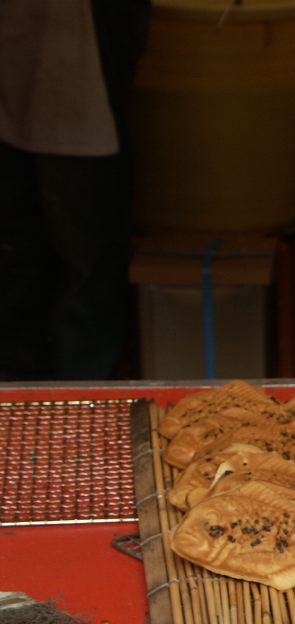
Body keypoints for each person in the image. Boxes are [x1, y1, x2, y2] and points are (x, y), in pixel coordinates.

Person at [0, 0, 150, 380]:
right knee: (16, 259)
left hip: (78, 72)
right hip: (16, 65)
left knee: (87, 267)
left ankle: (84, 407)